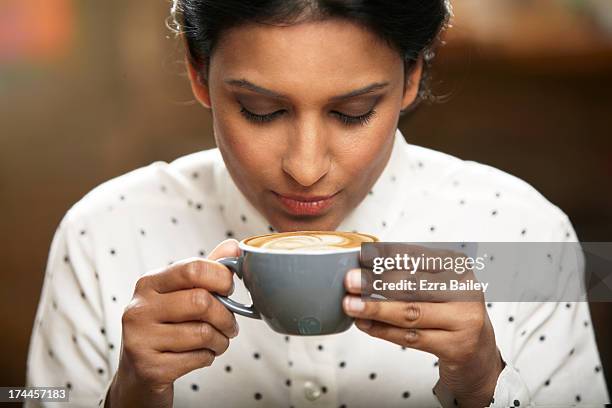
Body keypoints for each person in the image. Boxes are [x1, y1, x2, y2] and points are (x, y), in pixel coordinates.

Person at [26, 1, 609, 407]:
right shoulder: (102, 233)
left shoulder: (527, 234)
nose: (306, 168)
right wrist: (132, 397)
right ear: (198, 72)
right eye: (260, 109)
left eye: (353, 113)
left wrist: (484, 382)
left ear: (411, 77)